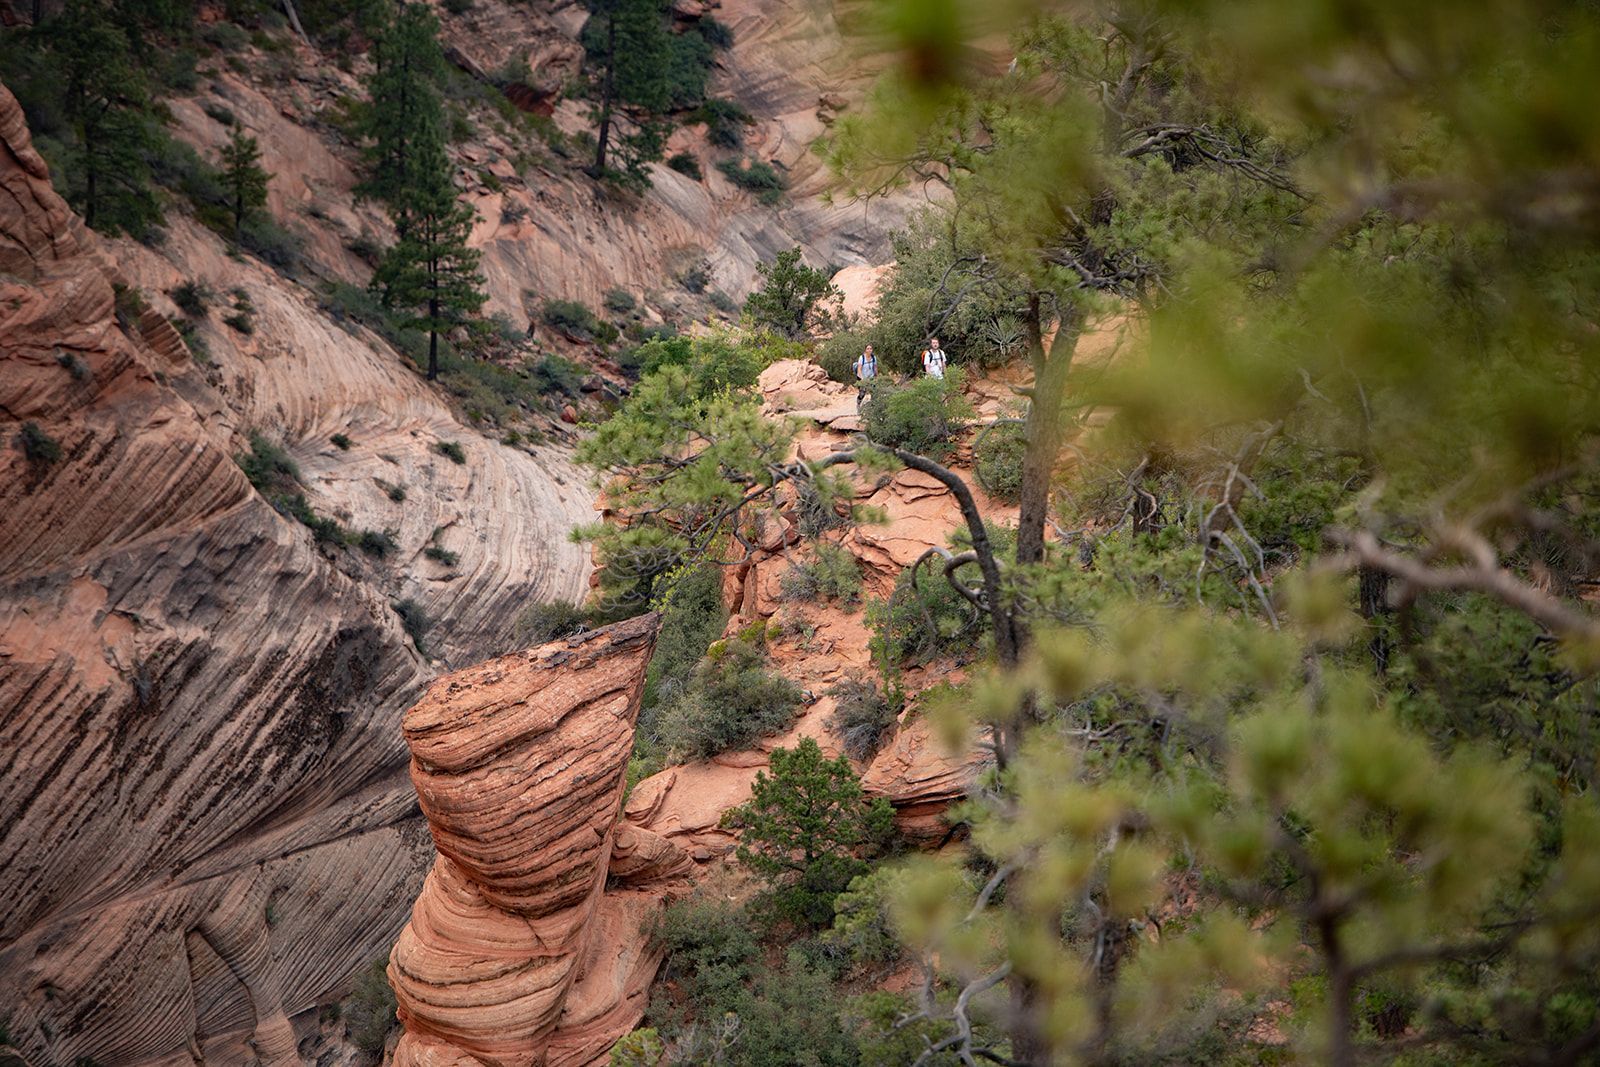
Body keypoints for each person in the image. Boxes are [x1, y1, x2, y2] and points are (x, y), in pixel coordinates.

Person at [853, 343, 877, 408]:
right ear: (865, 350)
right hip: (862, 378)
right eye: (868, 349)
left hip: (871, 377)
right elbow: (859, 369)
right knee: (862, 394)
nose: (869, 350)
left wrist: (876, 376)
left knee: (874, 392)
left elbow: (875, 367)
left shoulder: (874, 357)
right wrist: (862, 379)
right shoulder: (862, 358)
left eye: (870, 349)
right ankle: (858, 404)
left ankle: (873, 407)